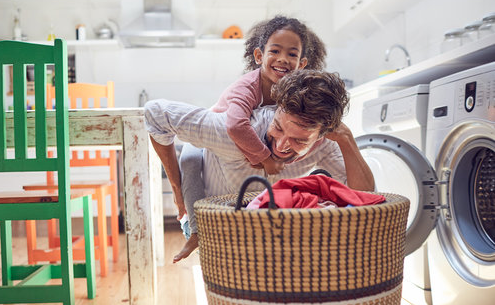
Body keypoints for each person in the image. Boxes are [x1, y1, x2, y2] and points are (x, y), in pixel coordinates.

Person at [145, 70, 375, 262]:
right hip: (209, 220)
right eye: (279, 127)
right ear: (277, 110)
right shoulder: (232, 133)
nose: (282, 145)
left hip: (257, 229)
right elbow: (155, 113)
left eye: (300, 140)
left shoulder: (326, 145)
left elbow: (364, 199)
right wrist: (178, 193)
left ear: (320, 137)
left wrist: (346, 138)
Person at [178, 16, 327, 257]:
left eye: (292, 54)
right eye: (275, 51)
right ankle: (195, 230)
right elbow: (236, 124)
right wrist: (265, 158)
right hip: (205, 139)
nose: (282, 59)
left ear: (302, 63)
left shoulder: (293, 92)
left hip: (241, 165)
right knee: (189, 162)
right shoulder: (249, 85)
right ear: (259, 56)